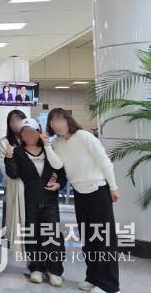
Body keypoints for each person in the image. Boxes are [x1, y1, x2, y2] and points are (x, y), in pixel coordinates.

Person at [48, 108, 120, 293]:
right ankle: (93, 277)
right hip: (79, 193)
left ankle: (110, 285)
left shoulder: (84, 136)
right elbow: (58, 164)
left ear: (68, 120)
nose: (57, 125)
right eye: (53, 122)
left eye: (60, 120)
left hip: (98, 190)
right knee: (88, 238)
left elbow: (104, 161)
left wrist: (113, 186)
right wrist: (47, 146)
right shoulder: (56, 142)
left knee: (104, 238)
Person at [4, 118, 66, 287]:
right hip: (29, 199)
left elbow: (61, 171)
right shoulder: (17, 152)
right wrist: (9, 157)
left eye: (32, 131)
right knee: (32, 233)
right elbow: (13, 173)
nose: (29, 135)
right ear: (21, 135)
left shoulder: (49, 149)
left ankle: (55, 270)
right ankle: (36, 268)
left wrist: (59, 184)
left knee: (52, 233)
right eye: (25, 132)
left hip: (49, 199)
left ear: (39, 132)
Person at [0, 109, 27, 251]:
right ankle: (10, 243)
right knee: (11, 215)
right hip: (13, 186)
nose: (15, 123)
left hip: (31, 187)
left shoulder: (31, 139)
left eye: (18, 120)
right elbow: (5, 169)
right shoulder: (4, 143)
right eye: (12, 121)